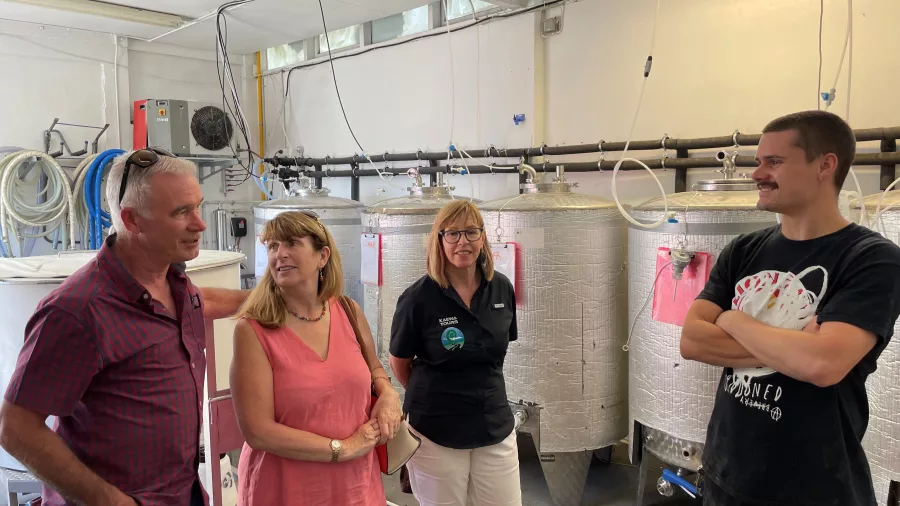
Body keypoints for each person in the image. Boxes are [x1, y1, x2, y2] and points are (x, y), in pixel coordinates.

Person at [0, 148, 250, 506]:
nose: (200, 224)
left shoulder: (175, 285)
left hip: (182, 492)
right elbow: (16, 428)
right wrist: (111, 501)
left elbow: (204, 301)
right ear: (132, 221)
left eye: (198, 206)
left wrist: (266, 299)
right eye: (181, 212)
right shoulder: (77, 311)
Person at [680, 110, 900, 506]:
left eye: (774, 162)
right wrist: (795, 346)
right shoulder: (744, 250)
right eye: (758, 162)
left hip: (814, 487)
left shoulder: (871, 259)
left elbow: (822, 365)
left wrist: (732, 320)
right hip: (725, 473)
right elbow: (692, 340)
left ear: (825, 165)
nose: (756, 174)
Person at [230, 210, 402, 506]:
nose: (279, 254)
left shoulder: (347, 311)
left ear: (322, 256)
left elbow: (375, 368)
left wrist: (388, 395)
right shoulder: (253, 330)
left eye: (291, 244)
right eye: (272, 246)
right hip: (287, 489)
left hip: (356, 487)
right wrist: (343, 448)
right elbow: (257, 431)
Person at [389, 199, 521, 506]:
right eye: (453, 234)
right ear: (440, 240)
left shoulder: (501, 288)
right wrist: (433, 392)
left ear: (483, 238)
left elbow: (498, 353)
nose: (463, 241)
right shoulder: (417, 298)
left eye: (471, 232)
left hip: (494, 424)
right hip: (436, 430)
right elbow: (399, 362)